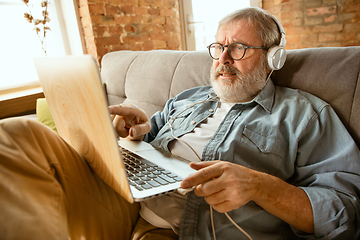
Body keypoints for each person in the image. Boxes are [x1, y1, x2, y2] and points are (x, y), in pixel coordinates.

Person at [0, 7, 359, 240]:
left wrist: (262, 187)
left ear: (274, 58)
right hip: (123, 197)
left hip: (186, 230)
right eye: (218, 48)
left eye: (238, 49)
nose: (223, 59)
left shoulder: (304, 115)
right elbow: (150, 133)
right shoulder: (190, 97)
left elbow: (344, 211)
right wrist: (136, 131)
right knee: (18, 134)